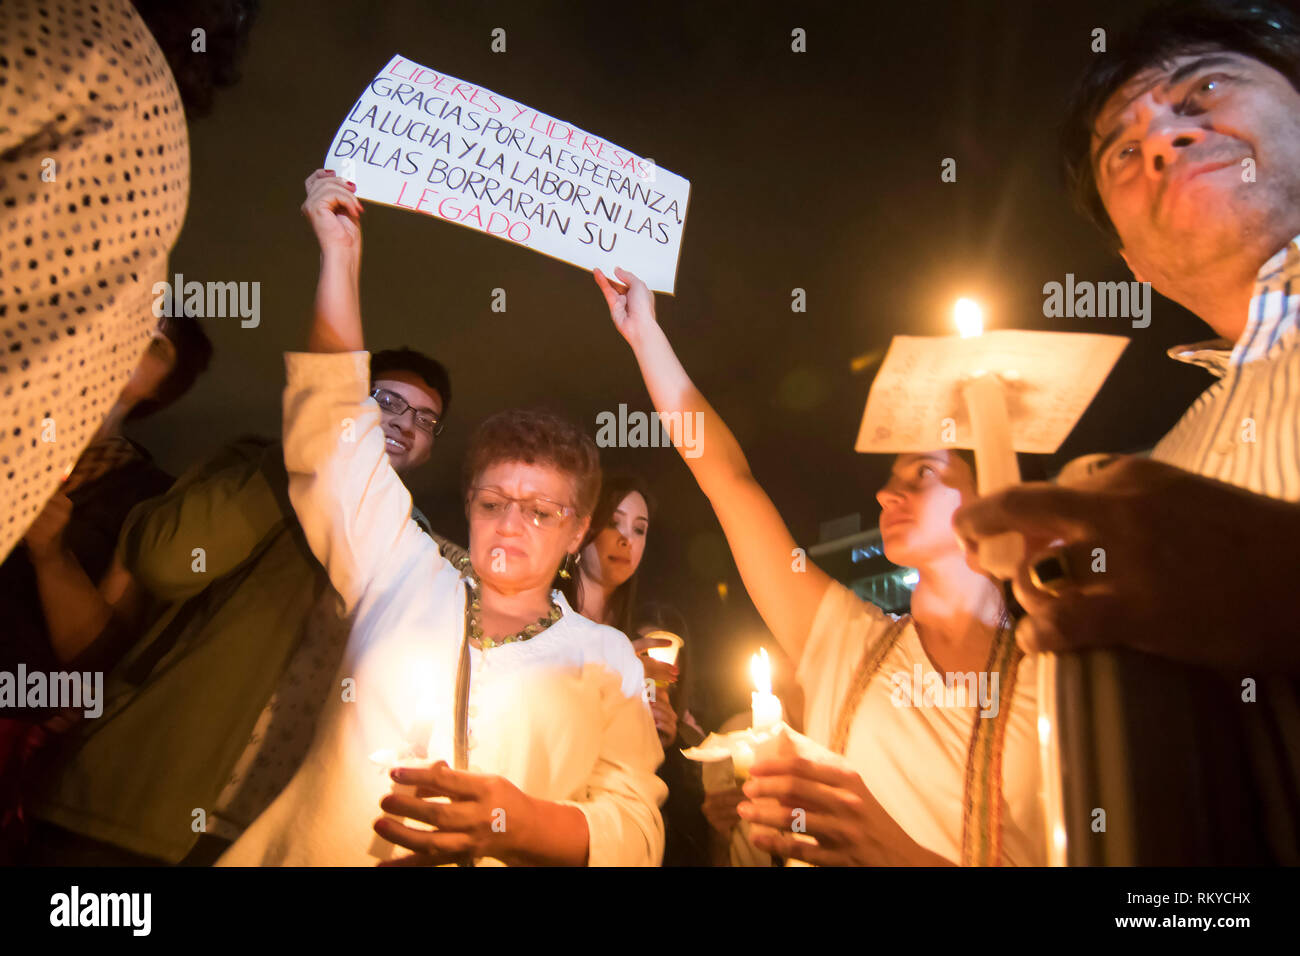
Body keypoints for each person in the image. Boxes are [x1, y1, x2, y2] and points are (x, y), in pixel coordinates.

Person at [213, 169, 665, 866]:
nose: (511, 523)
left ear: (579, 531)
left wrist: (520, 823)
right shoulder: (400, 572)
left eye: (542, 511)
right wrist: (340, 255)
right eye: (493, 503)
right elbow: (333, 428)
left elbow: (636, 826)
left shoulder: (605, 659)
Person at [954, 0, 1300, 863]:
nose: (1159, 140)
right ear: (1133, 264)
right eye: (1122, 151)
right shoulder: (1175, 465)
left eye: (1204, 90)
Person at [22, 184, 455, 867]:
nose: (403, 423)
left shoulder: (421, 552)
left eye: (425, 419)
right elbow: (169, 562)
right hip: (133, 810)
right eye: (386, 402)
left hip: (270, 837)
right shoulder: (253, 466)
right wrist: (308, 446)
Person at [592, 266, 1044, 866]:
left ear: (992, 496)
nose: (887, 493)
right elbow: (730, 482)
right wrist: (647, 336)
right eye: (891, 476)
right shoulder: (846, 640)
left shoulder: (1051, 680)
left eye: (924, 473)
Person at [1, 313, 210, 863]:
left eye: (156, 341)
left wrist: (51, 553)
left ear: (163, 387)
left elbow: (95, 663)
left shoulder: (150, 500)